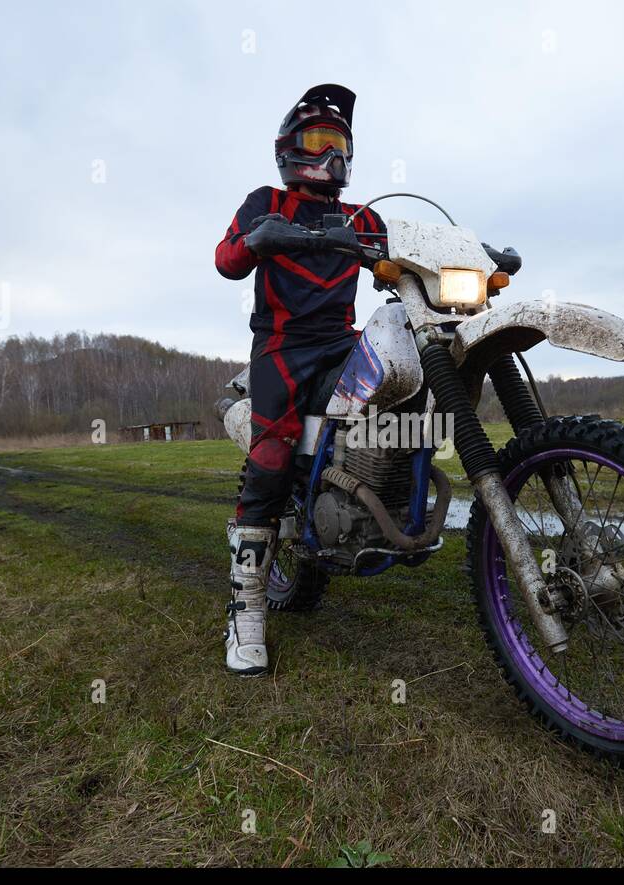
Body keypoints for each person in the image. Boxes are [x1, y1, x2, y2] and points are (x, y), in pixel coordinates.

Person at [214, 83, 386, 675]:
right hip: (283, 346)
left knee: (399, 405)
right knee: (271, 455)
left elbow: (397, 260)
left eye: (339, 143)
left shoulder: (363, 216)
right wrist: (257, 237)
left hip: (344, 342)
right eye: (319, 140)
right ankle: (247, 608)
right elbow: (226, 259)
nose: (331, 154)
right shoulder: (265, 201)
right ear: (291, 147)